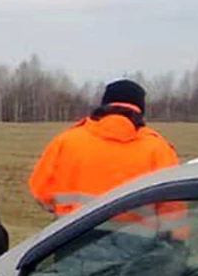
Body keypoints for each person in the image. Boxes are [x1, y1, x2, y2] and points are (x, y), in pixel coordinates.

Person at [27, 78, 183, 234]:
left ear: (104, 106)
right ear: (140, 111)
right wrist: (176, 242)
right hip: (136, 247)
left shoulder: (66, 141)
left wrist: (64, 211)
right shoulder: (158, 149)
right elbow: (173, 208)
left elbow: (41, 192)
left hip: (72, 241)